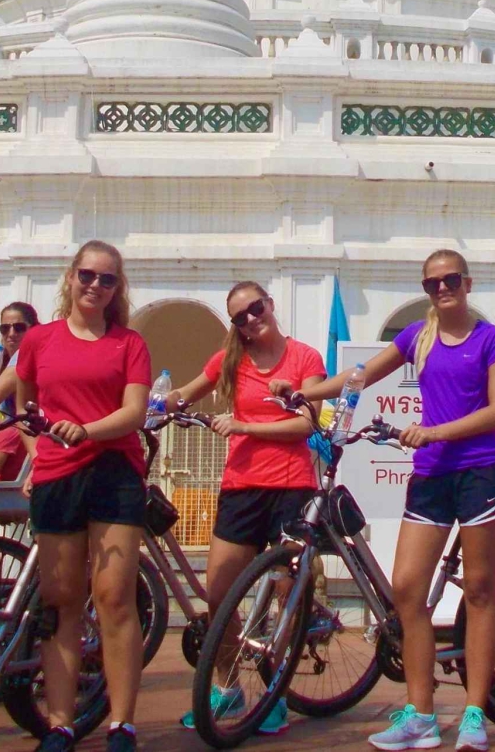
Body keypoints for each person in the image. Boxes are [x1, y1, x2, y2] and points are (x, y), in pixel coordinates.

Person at [289, 250, 495, 752]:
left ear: (467, 282)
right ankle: (421, 714)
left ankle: (476, 712)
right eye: (432, 283)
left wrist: (435, 432)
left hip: (480, 472)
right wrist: (306, 395)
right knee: (408, 591)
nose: (441, 289)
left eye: (450, 280)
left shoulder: (491, 339)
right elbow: (361, 376)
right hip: (431, 476)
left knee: (479, 590)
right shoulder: (417, 336)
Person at [171, 281, 326, 735]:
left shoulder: (304, 358)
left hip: (290, 485)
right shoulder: (230, 361)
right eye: (239, 316)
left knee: (285, 595)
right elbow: (187, 391)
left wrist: (243, 424)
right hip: (241, 485)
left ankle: (274, 692)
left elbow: (306, 422)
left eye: (255, 308)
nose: (250, 319)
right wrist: (155, 401)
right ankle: (228, 686)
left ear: (270, 305)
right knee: (219, 591)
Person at [15, 240, 152, 752]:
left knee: (114, 596)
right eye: (88, 276)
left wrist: (87, 431)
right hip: (56, 475)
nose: (96, 286)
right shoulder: (40, 340)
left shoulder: (128, 343)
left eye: (108, 279)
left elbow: (134, 411)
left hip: (112, 469)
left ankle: (122, 723)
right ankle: (60, 722)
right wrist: (36, 447)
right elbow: (23, 401)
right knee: (60, 600)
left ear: (118, 288)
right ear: (71, 277)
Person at [0, 302, 42, 482]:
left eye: (19, 327)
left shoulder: (24, 355)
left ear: (33, 328)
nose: (11, 334)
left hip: (24, 445)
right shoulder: (1, 361)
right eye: (5, 328)